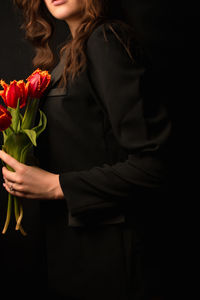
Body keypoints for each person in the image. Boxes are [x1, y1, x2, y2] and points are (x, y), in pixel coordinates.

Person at [0, 0, 172, 299]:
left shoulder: (107, 40)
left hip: (110, 259)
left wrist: (56, 185)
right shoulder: (73, 52)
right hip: (73, 253)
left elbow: (154, 166)